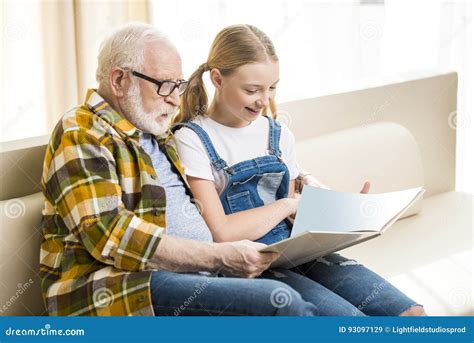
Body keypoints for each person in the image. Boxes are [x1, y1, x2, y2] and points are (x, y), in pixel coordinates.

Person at [172, 24, 426, 316]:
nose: (263, 100)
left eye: (272, 88)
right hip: (249, 265)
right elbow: (221, 231)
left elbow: (296, 216)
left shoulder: (279, 134)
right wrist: (286, 205)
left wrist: (342, 212)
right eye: (251, 90)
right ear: (217, 79)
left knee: (411, 313)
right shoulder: (191, 138)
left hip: (299, 251)